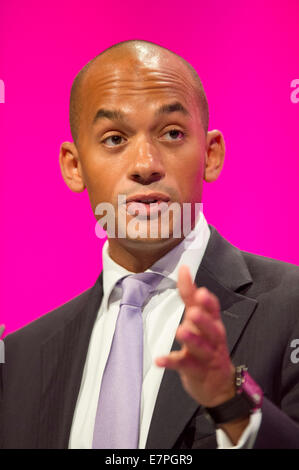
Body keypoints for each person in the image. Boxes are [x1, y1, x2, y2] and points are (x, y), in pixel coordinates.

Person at [1, 39, 299, 450]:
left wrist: (228, 395)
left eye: (172, 133)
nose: (145, 165)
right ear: (74, 166)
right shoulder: (20, 358)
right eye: (114, 139)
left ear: (211, 154)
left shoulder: (291, 306)